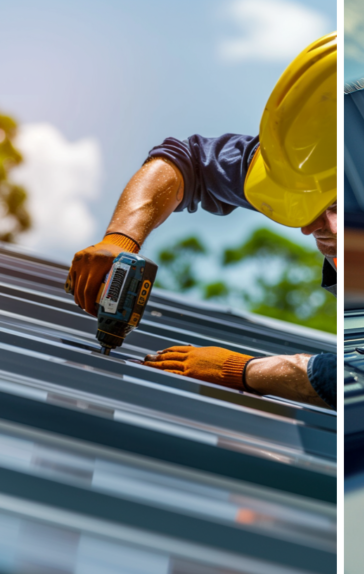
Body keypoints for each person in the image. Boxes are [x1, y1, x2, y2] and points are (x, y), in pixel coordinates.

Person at [65, 32, 337, 409]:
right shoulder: (308, 160)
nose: (311, 226)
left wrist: (244, 371)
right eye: (307, 205)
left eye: (339, 207)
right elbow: (186, 163)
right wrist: (122, 238)